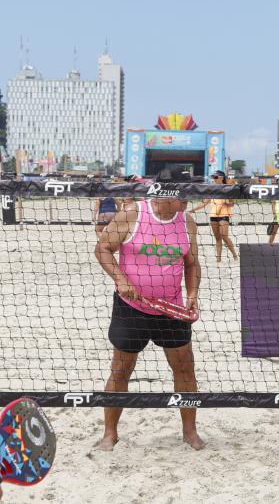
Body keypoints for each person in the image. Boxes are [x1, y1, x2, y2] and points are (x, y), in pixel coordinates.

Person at [94, 167, 205, 451]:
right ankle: (110, 433)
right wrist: (120, 279)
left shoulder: (187, 222)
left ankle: (190, 431)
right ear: (167, 194)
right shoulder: (133, 213)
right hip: (132, 307)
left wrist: (192, 294)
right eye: (184, 192)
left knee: (184, 368)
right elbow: (102, 248)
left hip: (172, 310)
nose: (188, 197)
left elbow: (192, 264)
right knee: (121, 369)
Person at [191, 170, 238, 262]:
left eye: (215, 177)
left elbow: (232, 203)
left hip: (224, 214)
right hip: (213, 215)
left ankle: (234, 254)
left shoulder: (228, 188)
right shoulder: (212, 189)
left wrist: (228, 203)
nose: (214, 179)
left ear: (221, 178)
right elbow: (204, 203)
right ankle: (218, 258)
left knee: (224, 236)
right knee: (217, 238)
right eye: (213, 177)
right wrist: (193, 210)